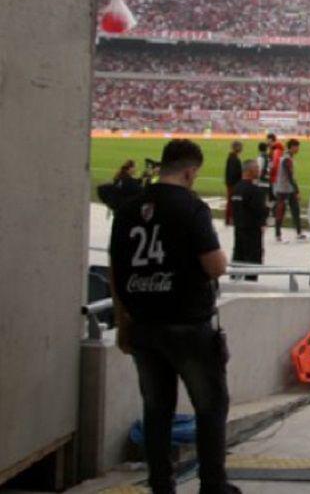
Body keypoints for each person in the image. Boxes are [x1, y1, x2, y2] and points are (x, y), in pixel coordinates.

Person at [107, 139, 237, 494]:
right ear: (190, 171)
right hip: (187, 324)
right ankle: (213, 484)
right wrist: (221, 261)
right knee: (210, 405)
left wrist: (123, 324)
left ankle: (160, 484)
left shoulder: (129, 208)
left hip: (144, 324)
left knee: (156, 408)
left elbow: (115, 271)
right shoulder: (191, 207)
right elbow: (213, 265)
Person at [229, 159, 268, 282]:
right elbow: (260, 210)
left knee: (238, 256)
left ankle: (234, 281)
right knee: (253, 261)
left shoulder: (236, 188)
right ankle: (250, 285)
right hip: (252, 231)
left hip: (239, 228)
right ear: (250, 171)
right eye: (256, 168)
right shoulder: (255, 190)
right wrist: (263, 220)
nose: (259, 170)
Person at [272, 138, 304, 243]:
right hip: (283, 190)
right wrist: (297, 191)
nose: (298, 149)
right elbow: (290, 176)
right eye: (297, 147)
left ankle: (299, 233)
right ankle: (278, 235)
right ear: (292, 147)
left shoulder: (288, 157)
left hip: (288, 189)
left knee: (295, 210)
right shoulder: (286, 159)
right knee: (281, 211)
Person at [223, 141, 243, 226]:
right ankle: (230, 219)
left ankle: (229, 219)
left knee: (231, 202)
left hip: (231, 183)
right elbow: (233, 172)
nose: (242, 149)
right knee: (232, 202)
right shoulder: (234, 159)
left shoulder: (232, 158)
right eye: (240, 147)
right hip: (233, 184)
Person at [254, 141, 272, 207]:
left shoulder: (260, 157)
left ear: (259, 149)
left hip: (261, 182)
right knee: (265, 201)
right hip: (268, 181)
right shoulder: (268, 157)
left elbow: (259, 170)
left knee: (260, 202)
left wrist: (256, 181)